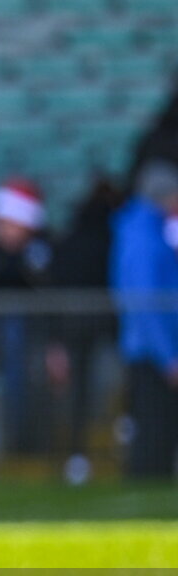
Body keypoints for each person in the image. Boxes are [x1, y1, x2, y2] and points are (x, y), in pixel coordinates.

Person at [0, 178, 56, 455]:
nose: (3, 230)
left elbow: (47, 286)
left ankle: (29, 441)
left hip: (38, 337)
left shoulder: (43, 250)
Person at [48, 175, 121, 485]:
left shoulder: (71, 236)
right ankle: (120, 436)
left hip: (72, 327)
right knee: (109, 388)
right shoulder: (110, 236)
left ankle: (77, 456)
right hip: (104, 325)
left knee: (80, 394)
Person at [111, 161, 178, 479]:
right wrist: (168, 356)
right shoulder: (143, 235)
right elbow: (146, 302)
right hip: (150, 350)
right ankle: (147, 478)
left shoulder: (147, 230)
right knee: (153, 427)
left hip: (152, 347)